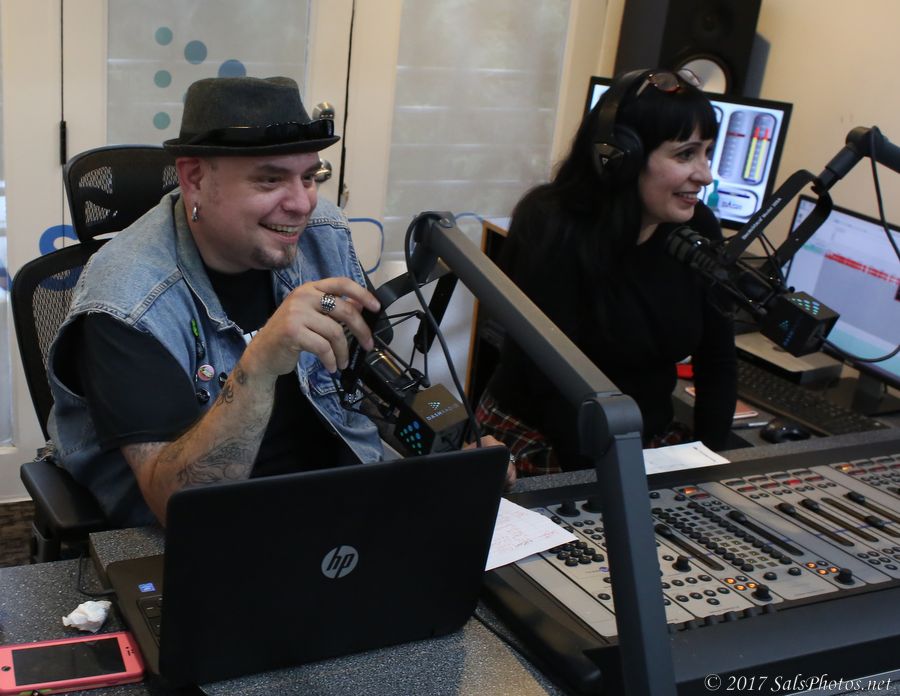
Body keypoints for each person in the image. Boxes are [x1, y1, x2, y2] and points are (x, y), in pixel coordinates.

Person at [47, 76, 509, 528]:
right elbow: (181, 506)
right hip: (215, 534)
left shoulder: (323, 234)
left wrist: (451, 457)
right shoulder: (126, 299)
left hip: (339, 503)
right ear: (194, 179)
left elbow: (365, 387)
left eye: (309, 177)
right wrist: (260, 364)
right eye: (270, 180)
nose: (302, 204)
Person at [476, 68, 737, 475]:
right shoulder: (550, 226)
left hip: (640, 441)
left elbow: (717, 360)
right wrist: (613, 489)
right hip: (546, 441)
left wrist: (709, 469)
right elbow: (553, 384)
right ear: (621, 157)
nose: (704, 174)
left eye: (707, 152)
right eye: (685, 154)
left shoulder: (698, 227)